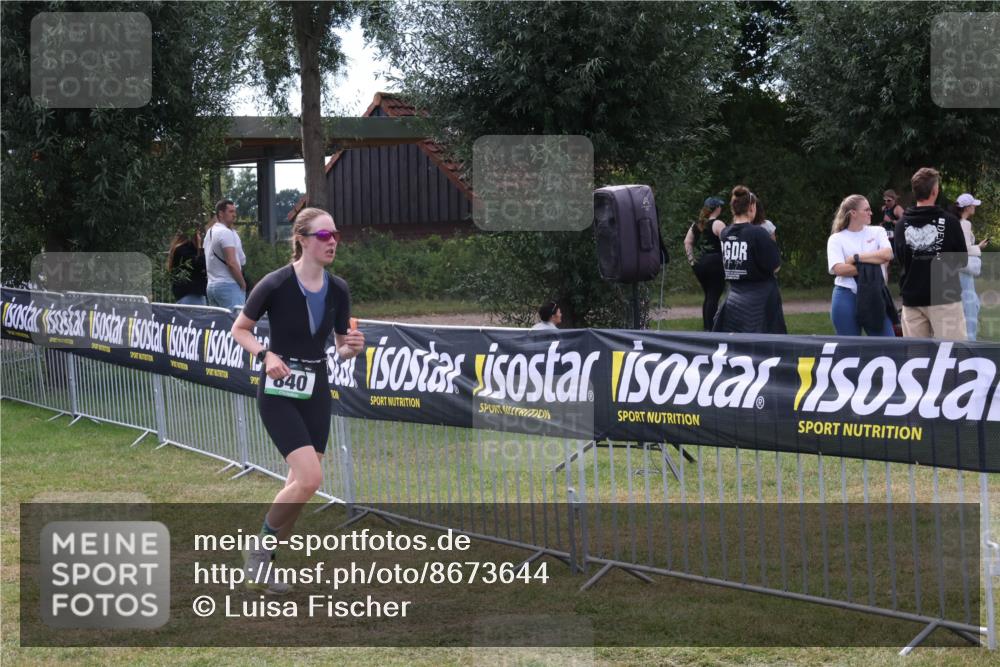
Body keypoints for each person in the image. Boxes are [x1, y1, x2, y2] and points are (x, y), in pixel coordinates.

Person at [231, 207, 364, 594]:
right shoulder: (274, 284)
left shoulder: (338, 289)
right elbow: (240, 329)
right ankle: (258, 553)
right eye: (324, 236)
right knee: (310, 479)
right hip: (278, 390)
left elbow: (340, 347)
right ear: (302, 240)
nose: (332, 241)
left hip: (316, 390)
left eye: (335, 235)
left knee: (299, 488)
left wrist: (352, 347)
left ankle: (265, 562)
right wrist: (265, 355)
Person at [893, 168, 968, 340]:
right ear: (935, 191)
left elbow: (901, 259)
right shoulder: (950, 221)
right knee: (952, 352)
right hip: (944, 298)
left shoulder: (901, 225)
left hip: (913, 298)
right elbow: (962, 260)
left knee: (917, 355)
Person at [711, 186, 786, 334]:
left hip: (733, 298)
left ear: (733, 209)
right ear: (752, 207)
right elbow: (775, 266)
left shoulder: (725, 233)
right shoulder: (759, 233)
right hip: (760, 302)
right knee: (763, 344)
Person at [826, 195, 895, 336]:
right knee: (849, 347)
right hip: (846, 296)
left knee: (887, 345)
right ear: (853, 213)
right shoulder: (836, 238)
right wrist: (875, 263)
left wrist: (856, 258)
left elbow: (888, 254)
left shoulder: (878, 231)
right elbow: (839, 269)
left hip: (874, 295)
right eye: (866, 210)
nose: (871, 213)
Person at [683, 196, 726, 330]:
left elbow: (687, 242)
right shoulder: (718, 224)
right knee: (713, 296)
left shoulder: (697, 224)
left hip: (700, 263)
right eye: (720, 206)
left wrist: (692, 261)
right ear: (717, 208)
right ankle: (712, 328)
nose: (721, 208)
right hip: (716, 263)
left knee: (709, 295)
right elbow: (727, 243)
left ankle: (707, 327)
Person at [953, 193, 988, 340]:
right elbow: (965, 250)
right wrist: (978, 248)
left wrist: (977, 246)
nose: (975, 207)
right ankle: (969, 342)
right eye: (973, 205)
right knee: (970, 307)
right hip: (964, 270)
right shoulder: (965, 224)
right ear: (967, 207)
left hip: (956, 271)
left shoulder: (954, 223)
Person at [205, 199, 247, 308]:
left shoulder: (209, 232)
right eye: (231, 211)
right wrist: (242, 284)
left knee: (218, 319)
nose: (234, 215)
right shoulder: (225, 232)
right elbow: (232, 263)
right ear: (221, 213)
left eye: (235, 211)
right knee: (236, 318)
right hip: (228, 285)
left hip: (211, 286)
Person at [166, 224, 207, 306]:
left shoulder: (179, 249)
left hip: (186, 293)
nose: (200, 237)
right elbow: (200, 263)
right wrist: (200, 248)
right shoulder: (185, 250)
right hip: (191, 293)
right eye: (198, 234)